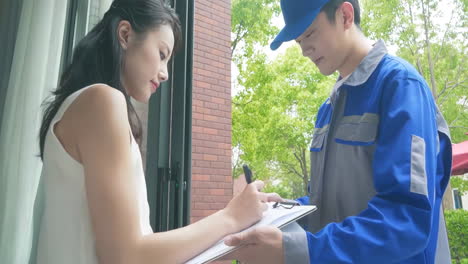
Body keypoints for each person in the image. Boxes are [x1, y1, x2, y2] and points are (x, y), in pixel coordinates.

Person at [36, 0, 281, 263]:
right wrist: (231, 217)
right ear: (125, 35)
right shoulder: (102, 101)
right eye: (162, 54)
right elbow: (126, 256)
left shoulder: (86, 105)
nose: (164, 74)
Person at [222, 0, 453, 263]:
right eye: (298, 41)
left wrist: (298, 250)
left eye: (309, 34)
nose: (304, 50)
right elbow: (332, 205)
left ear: (345, 15)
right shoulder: (327, 110)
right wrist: (281, 212)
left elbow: (408, 219)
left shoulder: (401, 88)